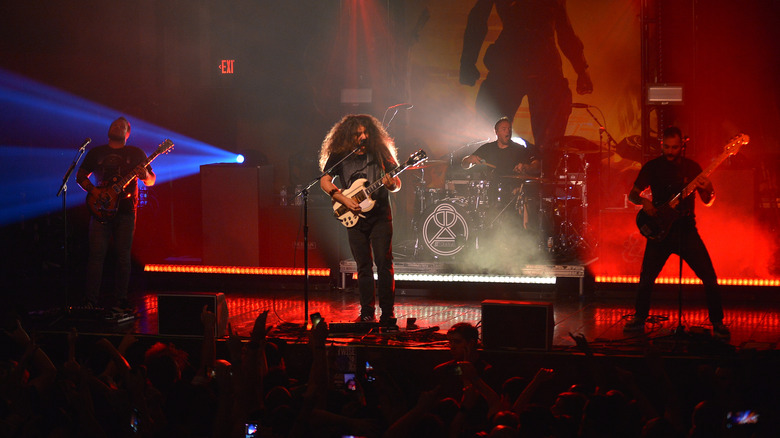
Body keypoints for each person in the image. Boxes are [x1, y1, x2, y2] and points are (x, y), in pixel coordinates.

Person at [459, 0, 593, 177]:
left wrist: (581, 69)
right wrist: (467, 61)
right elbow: (478, 18)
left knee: (549, 144)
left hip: (538, 66)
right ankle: (493, 182)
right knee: (492, 130)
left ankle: (544, 188)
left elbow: (564, 29)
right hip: (513, 64)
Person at [623, 126, 729, 338]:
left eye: (675, 147)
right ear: (662, 145)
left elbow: (708, 201)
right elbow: (632, 195)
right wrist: (645, 202)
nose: (670, 151)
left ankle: (717, 322)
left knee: (709, 276)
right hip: (660, 232)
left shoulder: (692, 168)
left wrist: (709, 188)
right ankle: (639, 318)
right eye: (667, 147)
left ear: (682, 145)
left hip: (686, 231)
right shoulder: (652, 167)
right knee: (646, 278)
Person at [318, 114, 401, 325]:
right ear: (348, 136)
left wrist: (391, 184)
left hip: (380, 214)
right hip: (354, 217)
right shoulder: (340, 155)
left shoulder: (380, 152)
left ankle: (388, 313)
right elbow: (325, 181)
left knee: (384, 264)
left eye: (366, 133)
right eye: (358, 134)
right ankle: (366, 312)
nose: (363, 137)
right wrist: (342, 198)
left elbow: (397, 182)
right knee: (363, 266)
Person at [76, 117, 156, 311]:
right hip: (99, 210)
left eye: (122, 126)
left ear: (127, 134)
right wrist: (96, 193)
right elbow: (80, 176)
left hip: (126, 211)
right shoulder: (96, 152)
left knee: (123, 257)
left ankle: (121, 300)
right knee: (96, 256)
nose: (118, 127)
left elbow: (151, 180)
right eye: (115, 125)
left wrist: (144, 175)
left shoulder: (136, 153)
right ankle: (90, 301)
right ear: (109, 130)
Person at [462, 116, 541, 231]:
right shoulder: (488, 148)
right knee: (490, 223)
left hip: (514, 193)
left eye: (509, 129)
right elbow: (464, 164)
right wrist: (469, 160)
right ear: (497, 132)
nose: (507, 131)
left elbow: (537, 165)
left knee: (516, 221)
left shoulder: (519, 149)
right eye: (504, 129)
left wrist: (526, 166)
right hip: (492, 191)